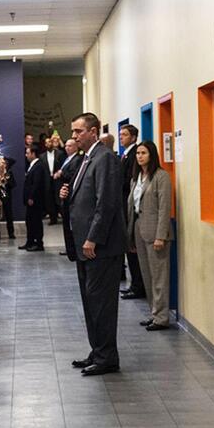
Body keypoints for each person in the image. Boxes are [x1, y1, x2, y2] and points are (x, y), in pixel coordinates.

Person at [60, 113, 126, 376]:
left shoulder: (105, 158)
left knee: (102, 303)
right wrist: (66, 196)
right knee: (91, 302)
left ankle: (107, 356)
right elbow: (83, 197)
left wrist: (92, 238)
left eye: (79, 131)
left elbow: (106, 203)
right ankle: (98, 350)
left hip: (100, 246)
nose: (74, 136)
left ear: (93, 131)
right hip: (85, 246)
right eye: (73, 131)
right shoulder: (86, 159)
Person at [127, 141, 173, 330]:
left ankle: (162, 317)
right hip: (139, 229)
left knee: (159, 277)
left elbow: (164, 208)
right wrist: (130, 235)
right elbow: (131, 206)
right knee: (146, 276)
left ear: (151, 155)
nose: (139, 156)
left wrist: (160, 236)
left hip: (156, 233)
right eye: (137, 153)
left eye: (143, 153)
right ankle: (154, 313)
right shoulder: (136, 177)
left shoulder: (161, 177)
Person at [118, 124, 145, 300]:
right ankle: (134, 283)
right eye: (120, 134)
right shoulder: (126, 154)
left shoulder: (134, 154)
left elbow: (128, 180)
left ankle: (138, 286)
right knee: (130, 248)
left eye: (125, 135)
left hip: (131, 207)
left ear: (134, 137)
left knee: (134, 250)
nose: (122, 137)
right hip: (124, 205)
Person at [56, 138, 83, 259]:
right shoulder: (67, 159)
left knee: (69, 225)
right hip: (63, 193)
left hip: (69, 194)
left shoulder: (77, 159)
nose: (67, 148)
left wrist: (61, 174)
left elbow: (72, 175)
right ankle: (69, 249)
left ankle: (72, 249)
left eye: (70, 146)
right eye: (66, 146)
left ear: (76, 147)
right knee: (66, 225)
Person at [20, 143, 46, 251]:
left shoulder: (39, 166)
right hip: (30, 200)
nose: (26, 155)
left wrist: (31, 197)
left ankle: (38, 243)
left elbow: (36, 183)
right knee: (29, 221)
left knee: (36, 221)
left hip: (35, 200)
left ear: (33, 154)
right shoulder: (33, 166)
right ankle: (30, 241)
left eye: (27, 153)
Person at [41, 136, 65, 224]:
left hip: (57, 179)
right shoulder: (42, 156)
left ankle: (63, 216)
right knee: (49, 199)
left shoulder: (60, 153)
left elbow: (64, 165)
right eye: (46, 142)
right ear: (45, 144)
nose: (48, 144)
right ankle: (53, 218)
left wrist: (59, 173)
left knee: (58, 197)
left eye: (50, 142)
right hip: (47, 179)